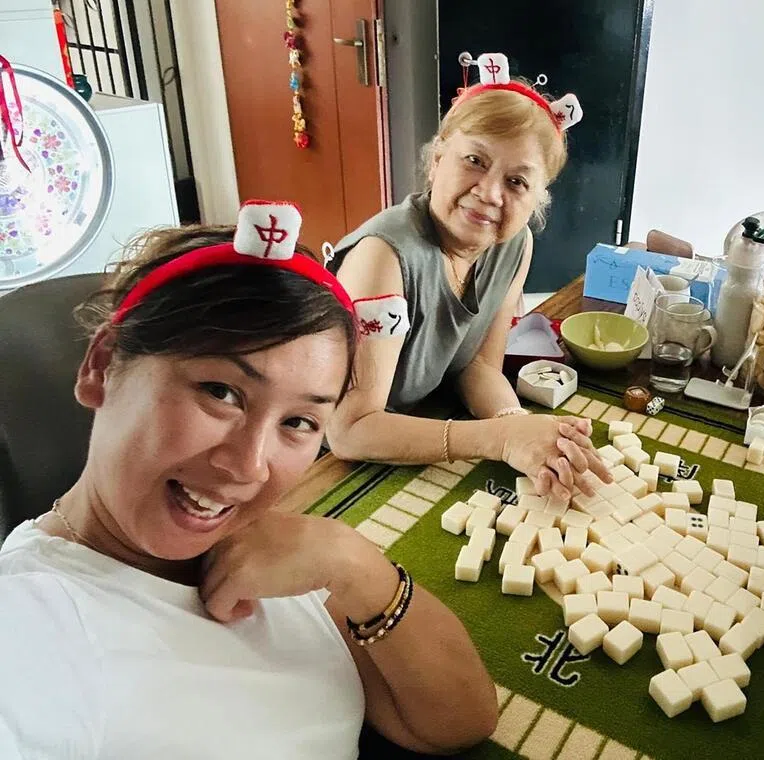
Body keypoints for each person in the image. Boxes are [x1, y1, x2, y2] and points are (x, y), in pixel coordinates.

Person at [0, 204, 498, 759]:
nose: (248, 466)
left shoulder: (279, 553)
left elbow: (459, 722)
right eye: (220, 391)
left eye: (299, 422)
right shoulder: (29, 626)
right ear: (102, 365)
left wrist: (357, 566)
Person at [328, 71, 607, 504]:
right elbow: (349, 430)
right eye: (474, 160)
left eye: (517, 181)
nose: (490, 193)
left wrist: (520, 426)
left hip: (420, 431)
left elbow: (477, 367)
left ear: (538, 198)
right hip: (334, 468)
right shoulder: (383, 257)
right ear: (437, 160)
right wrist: (498, 437)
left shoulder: (514, 244)